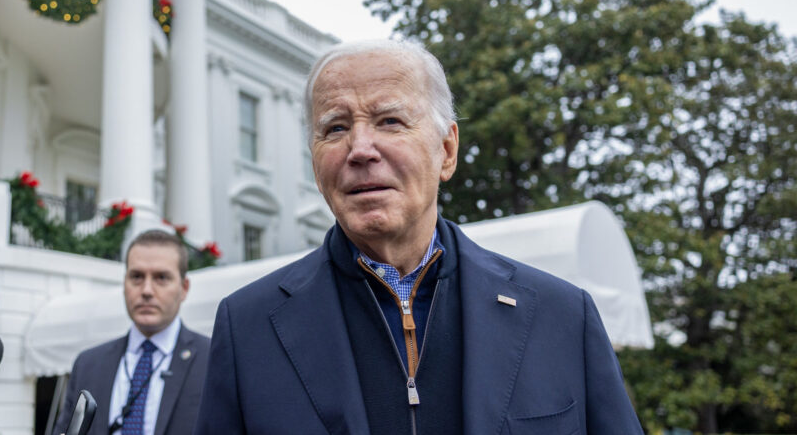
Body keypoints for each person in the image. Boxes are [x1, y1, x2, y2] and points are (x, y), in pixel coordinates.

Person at [195, 40, 644, 434]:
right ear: (314, 161)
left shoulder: (560, 316)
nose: (360, 149)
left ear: (446, 151)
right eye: (335, 127)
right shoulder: (248, 327)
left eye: (389, 120)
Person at [54, 230, 210, 435]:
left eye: (161, 278)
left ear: (184, 288)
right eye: (136, 277)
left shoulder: (213, 360)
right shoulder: (88, 365)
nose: (146, 290)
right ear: (124, 283)